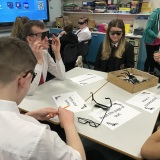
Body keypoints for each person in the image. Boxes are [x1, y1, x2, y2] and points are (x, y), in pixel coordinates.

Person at [0, 36, 86, 160]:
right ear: (23, 80)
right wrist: (69, 124)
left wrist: (27, 116)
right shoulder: (37, 135)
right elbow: (79, 158)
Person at [23, 20, 66, 95]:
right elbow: (29, 91)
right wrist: (39, 61)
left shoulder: (44, 53)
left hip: (41, 94)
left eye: (47, 34)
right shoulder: (22, 57)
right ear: (29, 39)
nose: (46, 39)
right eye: (41, 36)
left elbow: (61, 76)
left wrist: (57, 53)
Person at [142, 8, 160, 74]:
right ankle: (145, 73)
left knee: (155, 58)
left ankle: (152, 72)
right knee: (149, 58)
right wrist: (156, 36)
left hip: (158, 41)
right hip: (150, 40)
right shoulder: (155, 15)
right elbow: (147, 29)